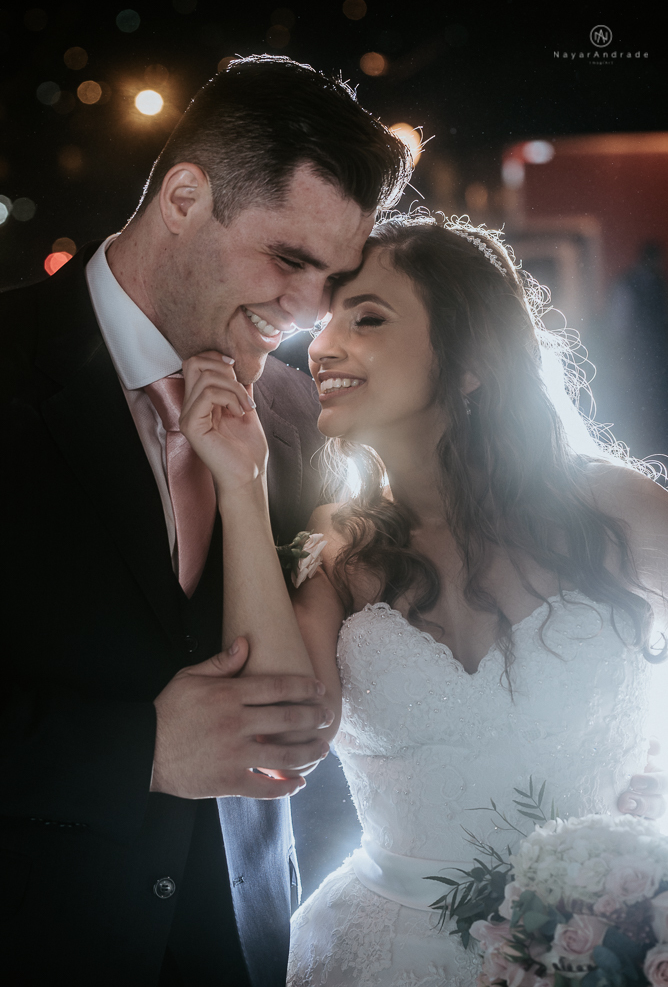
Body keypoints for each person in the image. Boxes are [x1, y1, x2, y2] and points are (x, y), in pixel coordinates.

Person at [0, 56, 410, 986]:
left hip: (247, 946)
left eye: (333, 279)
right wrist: (135, 750)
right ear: (184, 196)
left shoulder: (304, 418)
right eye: (289, 259)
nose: (305, 313)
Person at [179, 214, 668, 987]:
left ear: (470, 360)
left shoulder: (621, 512)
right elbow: (280, 731)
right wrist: (240, 484)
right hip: (377, 957)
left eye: (366, 318)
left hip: (608, 951)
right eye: (325, 321)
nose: (324, 347)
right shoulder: (339, 549)